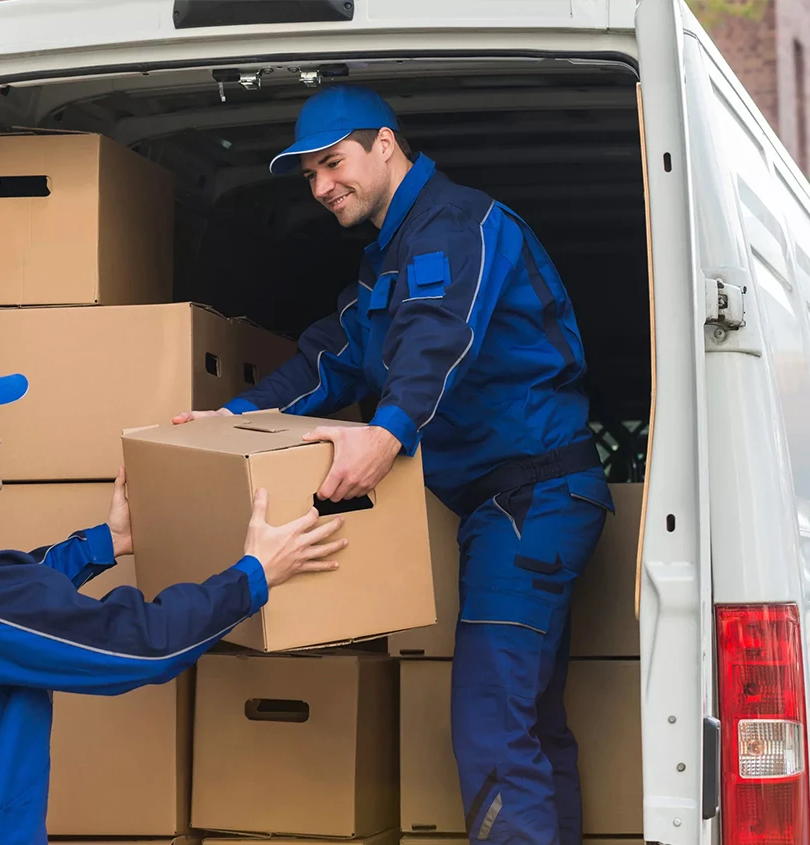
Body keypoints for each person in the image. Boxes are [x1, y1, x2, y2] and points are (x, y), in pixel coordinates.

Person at [174, 86, 614, 844]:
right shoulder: (388, 260)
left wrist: (386, 435)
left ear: (385, 144)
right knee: (528, 723)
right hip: (509, 506)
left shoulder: (455, 225)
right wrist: (235, 419)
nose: (321, 186)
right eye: (309, 175)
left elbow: (440, 336)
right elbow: (330, 358)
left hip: (531, 501)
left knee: (491, 722)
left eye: (332, 163)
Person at [0, 352, 346, 845]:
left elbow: (3, 602)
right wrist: (254, 575)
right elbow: (141, 645)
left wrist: (106, 542)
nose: (0, 435)